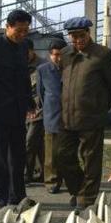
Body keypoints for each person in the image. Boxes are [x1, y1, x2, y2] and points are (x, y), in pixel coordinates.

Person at [55, 16, 111, 209]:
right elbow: (61, 83)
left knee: (91, 159)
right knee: (62, 156)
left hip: (91, 116)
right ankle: (78, 189)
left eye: (81, 36)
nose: (77, 40)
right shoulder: (65, 55)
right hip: (67, 117)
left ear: (88, 33)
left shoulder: (103, 54)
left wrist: (99, 108)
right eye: (73, 37)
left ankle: (87, 198)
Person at [0, 9, 36, 207]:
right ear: (7, 27)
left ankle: (17, 196)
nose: (22, 35)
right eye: (18, 30)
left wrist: (29, 103)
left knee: (18, 156)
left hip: (17, 111)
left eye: (25, 31)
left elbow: (24, 78)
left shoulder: (22, 48)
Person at [36, 39, 68, 194]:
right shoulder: (43, 70)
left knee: (69, 151)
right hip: (52, 115)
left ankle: (69, 179)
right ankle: (51, 181)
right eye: (55, 55)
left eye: (61, 55)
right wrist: (48, 109)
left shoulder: (70, 68)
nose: (59, 58)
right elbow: (41, 93)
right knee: (51, 153)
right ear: (50, 55)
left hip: (70, 115)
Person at [24, 38, 47, 184]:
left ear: (32, 51)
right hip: (25, 110)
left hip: (39, 110)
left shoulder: (43, 66)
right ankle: (44, 173)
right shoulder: (19, 64)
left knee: (30, 141)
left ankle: (28, 174)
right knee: (38, 144)